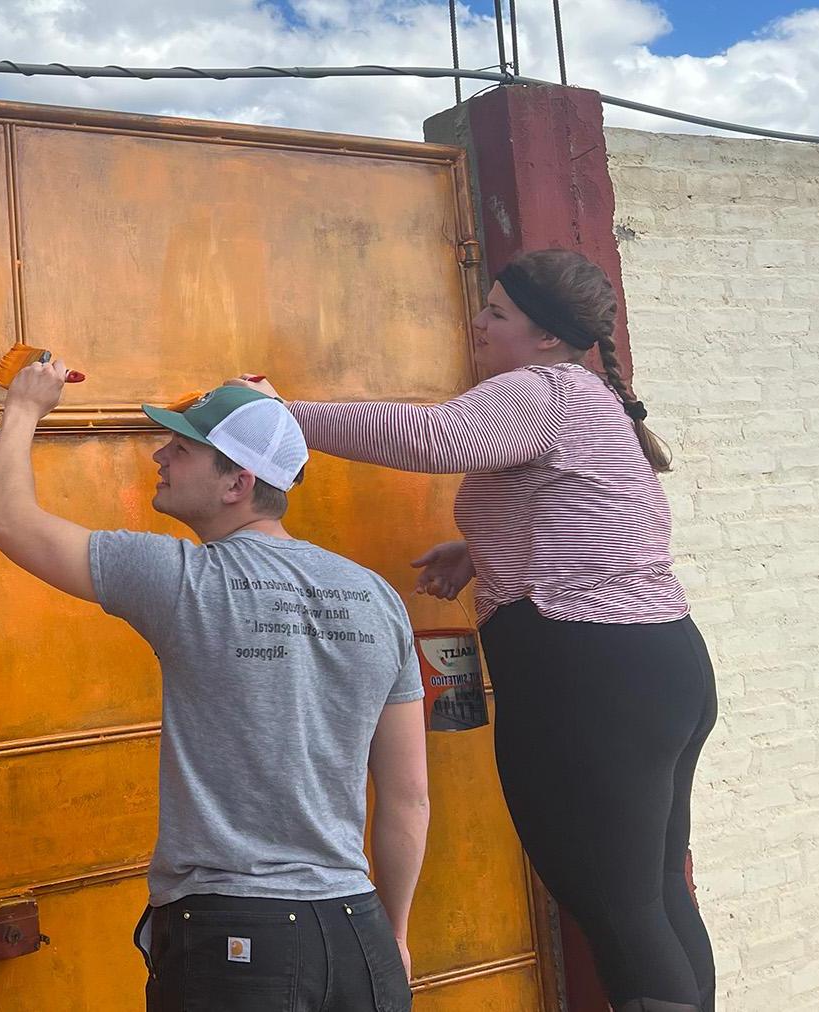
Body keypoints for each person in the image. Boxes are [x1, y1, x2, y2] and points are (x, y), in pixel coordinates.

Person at [236, 248, 717, 1012]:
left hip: (590, 678)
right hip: (655, 665)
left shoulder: (543, 388)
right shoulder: (584, 394)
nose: (479, 322)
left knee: (616, 907)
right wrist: (480, 551)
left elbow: (434, 440)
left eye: (497, 312)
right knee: (652, 891)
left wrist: (279, 415)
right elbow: (587, 515)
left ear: (548, 337)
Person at [0, 362, 430, 1011]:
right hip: (357, 930)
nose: (160, 455)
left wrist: (24, 407)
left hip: (237, 940)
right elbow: (409, 799)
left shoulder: (182, 579)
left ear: (237, 483)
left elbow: (5, 518)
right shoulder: (377, 598)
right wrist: (395, 936)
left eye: (182, 450)